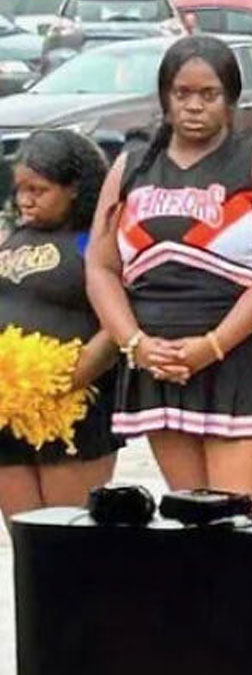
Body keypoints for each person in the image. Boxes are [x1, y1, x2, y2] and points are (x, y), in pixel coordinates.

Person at [85, 35, 252, 500]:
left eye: (209, 94)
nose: (193, 106)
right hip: (161, 367)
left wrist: (214, 345)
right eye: (182, 93)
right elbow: (101, 268)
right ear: (165, 97)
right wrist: (135, 344)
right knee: (191, 522)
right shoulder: (131, 166)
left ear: (231, 100)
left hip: (243, 360)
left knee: (240, 520)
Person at [0, 130, 123, 526]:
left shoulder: (95, 241)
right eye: (20, 189)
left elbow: (120, 316)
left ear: (74, 188)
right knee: (25, 536)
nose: (25, 199)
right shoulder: (13, 238)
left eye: (38, 189)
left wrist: (78, 371)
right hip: (8, 411)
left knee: (67, 535)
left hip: (74, 409)